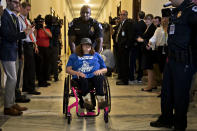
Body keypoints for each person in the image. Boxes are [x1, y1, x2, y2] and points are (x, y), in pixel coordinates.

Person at [150, 0, 197, 131]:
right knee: (166, 92)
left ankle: (180, 124)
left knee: (180, 95)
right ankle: (166, 119)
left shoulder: (192, 10)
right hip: (171, 59)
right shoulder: (176, 12)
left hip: (184, 61)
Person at [0, 0, 33, 116]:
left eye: (18, 2)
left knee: (15, 79)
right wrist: (24, 34)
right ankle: (7, 106)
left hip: (14, 51)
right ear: (7, 1)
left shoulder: (13, 16)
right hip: (6, 51)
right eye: (15, 2)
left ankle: (12, 102)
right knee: (12, 78)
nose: (17, 4)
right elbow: (7, 35)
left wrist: (25, 33)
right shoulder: (4, 15)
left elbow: (16, 36)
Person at [66, 38, 107, 109]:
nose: (87, 46)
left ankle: (101, 99)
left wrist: (100, 71)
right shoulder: (74, 56)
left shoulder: (96, 55)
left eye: (89, 45)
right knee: (83, 79)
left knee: (100, 77)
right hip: (80, 77)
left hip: (94, 76)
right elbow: (68, 69)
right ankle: (87, 101)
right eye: (85, 45)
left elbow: (105, 69)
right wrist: (76, 73)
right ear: (81, 46)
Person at [18, 2, 40, 95]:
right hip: (25, 45)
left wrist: (35, 44)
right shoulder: (19, 19)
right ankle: (30, 88)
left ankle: (27, 87)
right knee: (29, 67)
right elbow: (20, 33)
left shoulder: (27, 20)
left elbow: (31, 34)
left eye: (29, 10)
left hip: (31, 44)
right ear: (21, 8)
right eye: (27, 10)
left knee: (30, 67)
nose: (27, 12)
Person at [115, 10, 136, 85]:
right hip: (120, 47)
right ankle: (122, 77)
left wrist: (127, 45)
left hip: (125, 47)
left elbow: (130, 36)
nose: (121, 16)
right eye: (120, 15)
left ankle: (125, 80)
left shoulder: (128, 23)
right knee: (121, 63)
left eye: (123, 15)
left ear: (126, 15)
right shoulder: (121, 24)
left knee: (125, 64)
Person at [137, 14, 157, 91]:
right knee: (150, 68)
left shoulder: (152, 27)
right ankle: (153, 84)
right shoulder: (148, 27)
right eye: (146, 19)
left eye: (148, 19)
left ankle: (149, 86)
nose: (146, 21)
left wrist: (142, 40)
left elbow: (151, 39)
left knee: (149, 68)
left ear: (152, 20)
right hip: (147, 50)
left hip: (149, 51)